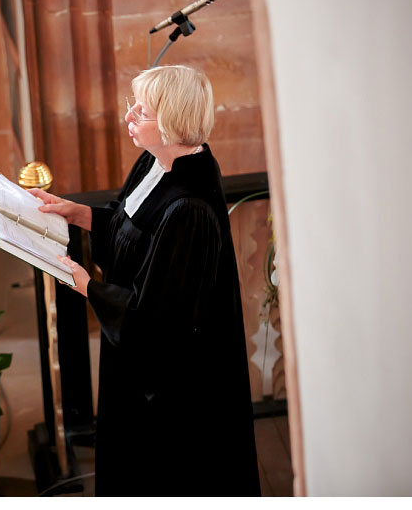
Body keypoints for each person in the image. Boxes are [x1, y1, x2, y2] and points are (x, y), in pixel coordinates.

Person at [30, 65, 260, 496]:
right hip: (134, 355)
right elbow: (130, 228)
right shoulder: (154, 163)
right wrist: (76, 213)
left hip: (173, 387)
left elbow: (157, 321)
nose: (129, 116)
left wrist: (87, 286)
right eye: (132, 104)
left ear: (173, 123)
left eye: (143, 111)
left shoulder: (189, 208)